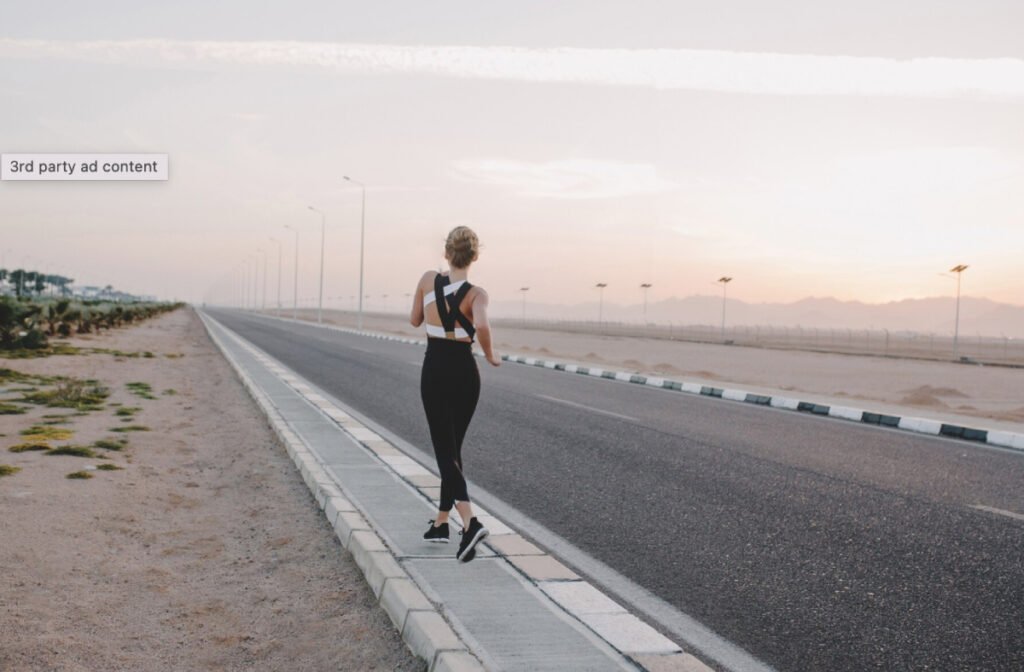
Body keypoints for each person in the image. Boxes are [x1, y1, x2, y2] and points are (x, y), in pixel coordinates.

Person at [409, 226, 500, 562]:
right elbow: (484, 326)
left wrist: (431, 306)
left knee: (444, 452)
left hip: (435, 369)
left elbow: (415, 320)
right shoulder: (477, 294)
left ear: (446, 253)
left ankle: (470, 522)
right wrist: (490, 355)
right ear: (473, 257)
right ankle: (441, 523)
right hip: (465, 372)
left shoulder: (426, 280)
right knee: (453, 450)